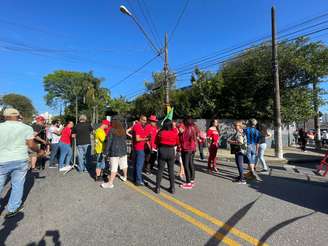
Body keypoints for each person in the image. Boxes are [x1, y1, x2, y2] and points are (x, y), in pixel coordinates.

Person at [0, 108, 42, 218]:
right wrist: (39, 151)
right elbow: (31, 145)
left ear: (4, 116)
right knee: (17, 185)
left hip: (2, 159)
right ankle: (13, 208)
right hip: (20, 159)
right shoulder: (26, 128)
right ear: (18, 116)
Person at [101, 118, 128, 189]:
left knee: (114, 167)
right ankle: (125, 177)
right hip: (123, 150)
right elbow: (125, 139)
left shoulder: (111, 130)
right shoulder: (123, 130)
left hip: (114, 151)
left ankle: (110, 183)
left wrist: (105, 152)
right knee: (124, 164)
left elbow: (109, 142)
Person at [155, 119, 179, 194]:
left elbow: (156, 142)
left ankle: (158, 187)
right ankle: (172, 188)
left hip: (162, 150)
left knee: (160, 170)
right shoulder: (174, 133)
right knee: (171, 170)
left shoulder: (160, 133)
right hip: (171, 151)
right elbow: (177, 143)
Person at [179, 117, 198, 190]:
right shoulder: (193, 127)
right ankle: (192, 180)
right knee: (190, 163)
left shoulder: (187, 129)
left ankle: (188, 182)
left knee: (186, 165)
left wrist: (180, 133)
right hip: (192, 148)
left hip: (187, 148)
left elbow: (183, 138)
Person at [131, 115, 150, 186]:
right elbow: (137, 139)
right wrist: (146, 139)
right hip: (139, 149)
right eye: (144, 120)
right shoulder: (138, 126)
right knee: (139, 165)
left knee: (136, 165)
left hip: (136, 148)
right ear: (140, 119)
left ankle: (136, 179)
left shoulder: (138, 126)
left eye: (146, 120)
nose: (145, 122)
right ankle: (138, 181)